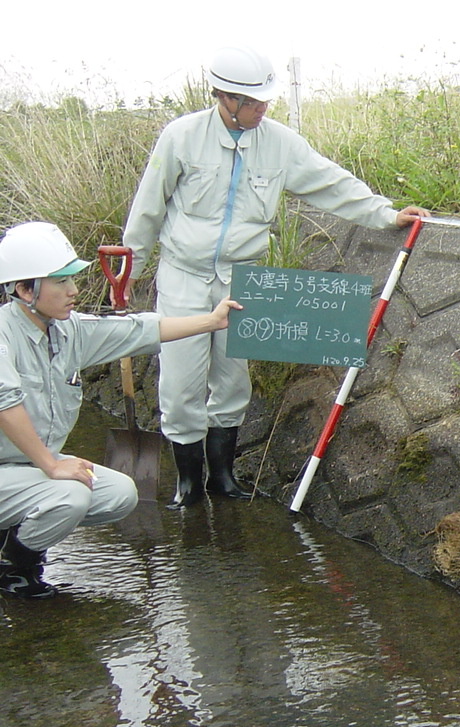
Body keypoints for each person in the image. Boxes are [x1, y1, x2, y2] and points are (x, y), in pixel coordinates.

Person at [121, 44, 428, 509]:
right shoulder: (181, 137)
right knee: (180, 383)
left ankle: (221, 478)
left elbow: (331, 182)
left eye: (266, 100)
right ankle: (188, 484)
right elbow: (148, 206)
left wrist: (385, 215)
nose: (262, 109)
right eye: (252, 102)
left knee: (232, 380)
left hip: (243, 279)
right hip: (184, 275)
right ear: (223, 97)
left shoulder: (279, 142)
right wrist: (129, 270)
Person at [0, 221, 241, 599]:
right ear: (24, 289)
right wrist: (51, 466)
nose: (74, 291)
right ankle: (15, 570)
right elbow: (6, 406)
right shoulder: (2, 334)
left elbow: (139, 331)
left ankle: (15, 535)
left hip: (26, 473)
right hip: (10, 471)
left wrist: (211, 321)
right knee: (71, 494)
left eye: (72, 280)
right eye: (61, 282)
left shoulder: (68, 331)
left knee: (120, 493)